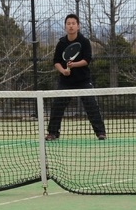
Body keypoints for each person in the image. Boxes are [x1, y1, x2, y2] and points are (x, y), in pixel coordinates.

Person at [45, 13, 106, 141]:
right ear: (65, 27)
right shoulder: (61, 43)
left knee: (91, 105)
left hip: (83, 80)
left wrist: (74, 65)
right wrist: (63, 71)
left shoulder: (84, 41)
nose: (71, 26)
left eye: (73, 23)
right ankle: (52, 133)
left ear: (78, 26)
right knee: (57, 105)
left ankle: (101, 132)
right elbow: (56, 61)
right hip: (66, 81)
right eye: (68, 24)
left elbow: (87, 60)